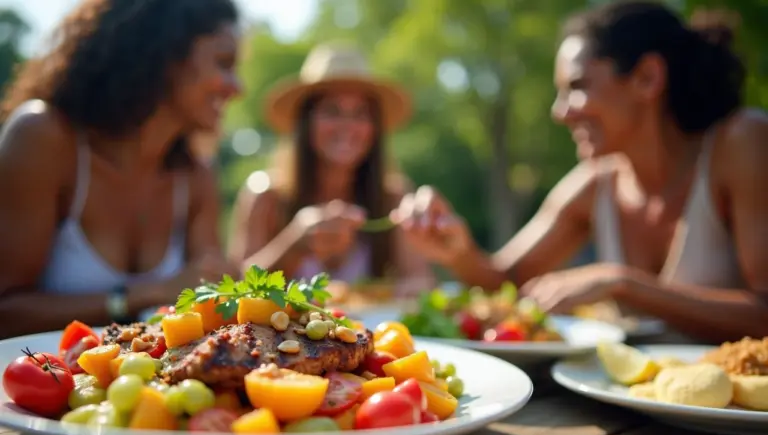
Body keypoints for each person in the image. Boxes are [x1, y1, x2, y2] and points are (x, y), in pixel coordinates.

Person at [391, 1, 768, 342]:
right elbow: (507, 280)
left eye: (577, 86)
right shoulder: (596, 182)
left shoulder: (742, 143)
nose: (560, 111)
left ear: (648, 78)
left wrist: (622, 283)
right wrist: (458, 251)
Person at [0, 0, 242, 338]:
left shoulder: (197, 174)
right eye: (224, 62)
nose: (237, 87)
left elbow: (218, 299)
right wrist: (147, 294)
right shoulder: (44, 136)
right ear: (162, 56)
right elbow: (5, 310)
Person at [228, 43, 434, 296]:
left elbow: (421, 283)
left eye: (360, 114)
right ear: (305, 122)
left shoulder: (395, 199)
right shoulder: (265, 196)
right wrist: (294, 244)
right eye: (332, 111)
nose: (347, 127)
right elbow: (233, 290)